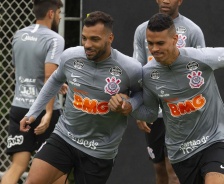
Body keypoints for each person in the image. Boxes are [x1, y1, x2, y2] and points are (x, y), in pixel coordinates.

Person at [109, 13, 224, 184]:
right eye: (150, 43)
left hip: (214, 140)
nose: (154, 49)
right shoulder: (148, 74)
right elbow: (150, 113)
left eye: (160, 43)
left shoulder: (200, 58)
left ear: (175, 39)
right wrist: (129, 108)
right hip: (180, 152)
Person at [19, 11, 142, 184]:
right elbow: (54, 80)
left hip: (99, 150)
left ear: (110, 38)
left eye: (95, 39)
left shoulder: (130, 68)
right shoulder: (70, 56)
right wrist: (33, 112)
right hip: (65, 137)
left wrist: (129, 104)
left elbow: (141, 95)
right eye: (84, 38)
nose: (87, 44)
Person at [132, 0, 205, 183]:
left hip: (181, 111)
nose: (165, 0)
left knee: (174, 171)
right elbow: (137, 70)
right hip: (153, 112)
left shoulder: (193, 31)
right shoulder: (142, 30)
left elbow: (202, 71)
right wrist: (138, 108)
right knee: (160, 170)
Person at [1, 0, 67, 184]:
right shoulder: (55, 39)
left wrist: (57, 84)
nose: (60, 17)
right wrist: (47, 112)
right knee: (57, 171)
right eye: (60, 13)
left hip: (19, 108)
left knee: (17, 167)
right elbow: (48, 76)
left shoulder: (18, 35)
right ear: (51, 14)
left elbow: (21, 71)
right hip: (45, 111)